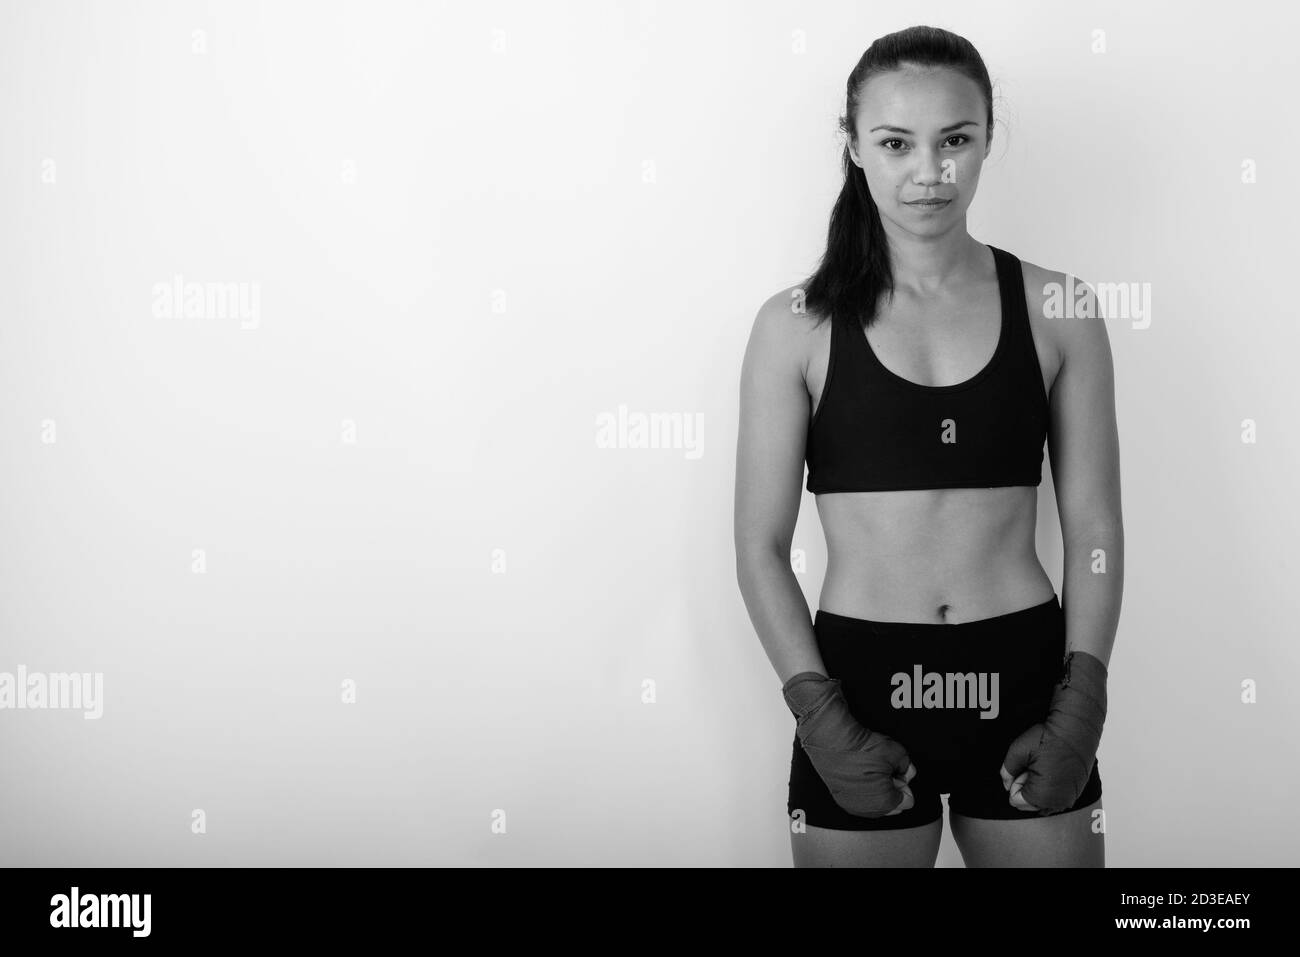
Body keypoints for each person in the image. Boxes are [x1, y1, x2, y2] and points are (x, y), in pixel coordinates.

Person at [734, 25, 1123, 867]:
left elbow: (1093, 529)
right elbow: (759, 548)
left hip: (1024, 683)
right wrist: (820, 716)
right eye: (895, 143)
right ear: (854, 147)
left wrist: (1083, 696)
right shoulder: (795, 326)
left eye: (955, 140)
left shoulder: (1061, 308)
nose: (929, 171)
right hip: (860, 689)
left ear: (987, 139)